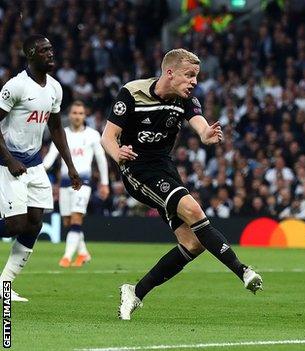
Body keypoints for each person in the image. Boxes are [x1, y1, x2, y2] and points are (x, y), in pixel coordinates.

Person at [101, 48, 263, 321]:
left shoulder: (186, 100)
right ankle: (243, 270)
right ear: (170, 72)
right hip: (137, 168)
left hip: (164, 168)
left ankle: (135, 292)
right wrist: (117, 154)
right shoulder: (132, 93)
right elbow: (108, 136)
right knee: (194, 210)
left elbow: (199, 125)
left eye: (196, 76)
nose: (194, 82)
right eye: (189, 75)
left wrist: (206, 134)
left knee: (192, 243)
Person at [0, 35, 81, 302]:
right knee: (15, 225)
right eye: (45, 50)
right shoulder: (15, 87)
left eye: (51, 49)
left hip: (33, 164)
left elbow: (56, 128)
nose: (51, 53)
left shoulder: (55, 89)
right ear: (31, 53)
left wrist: (70, 165)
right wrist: (10, 160)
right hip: (7, 161)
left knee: (34, 223)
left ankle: (5, 286)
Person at [43, 100, 109, 268]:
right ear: (69, 115)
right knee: (68, 222)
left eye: (80, 113)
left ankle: (66, 257)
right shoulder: (62, 133)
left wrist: (104, 183)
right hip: (65, 183)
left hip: (83, 182)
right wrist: (39, 168)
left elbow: (101, 160)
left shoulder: (93, 134)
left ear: (84, 115)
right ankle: (84, 253)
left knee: (76, 218)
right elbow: (51, 156)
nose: (77, 116)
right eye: (74, 113)